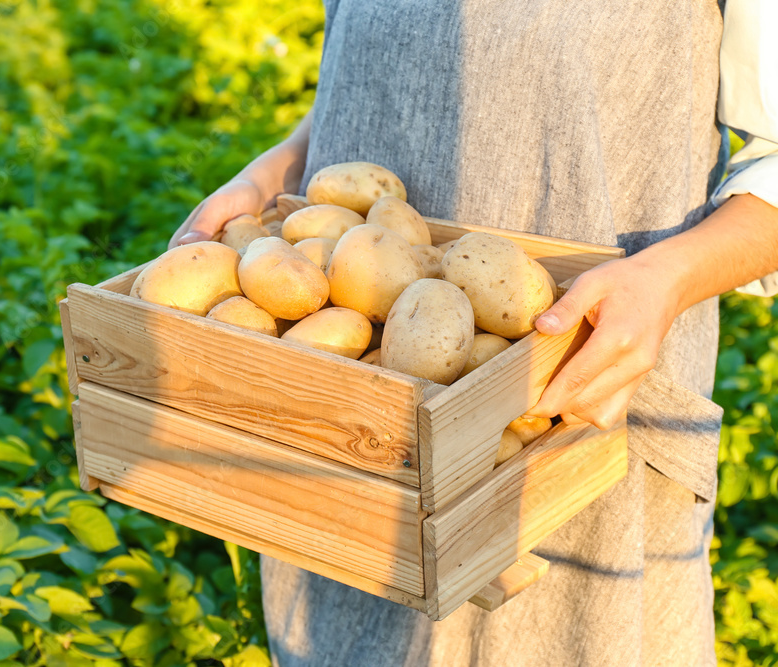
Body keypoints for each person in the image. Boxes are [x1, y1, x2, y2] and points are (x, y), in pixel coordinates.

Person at [170, 0, 778, 664]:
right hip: (351, 421)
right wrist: (275, 172)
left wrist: (668, 279)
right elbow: (392, 55)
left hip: (577, 397)